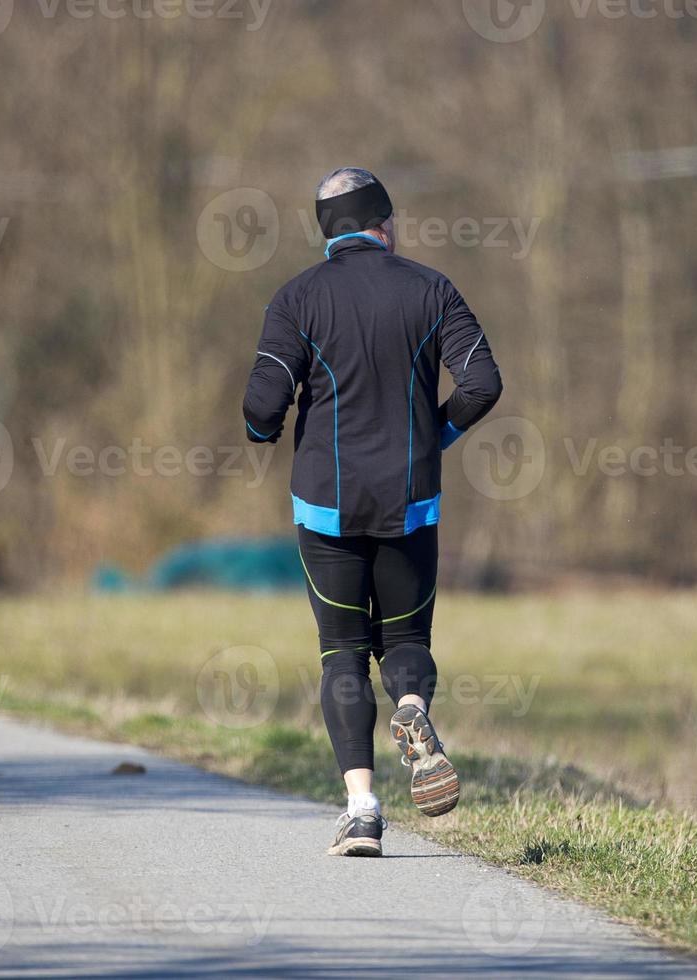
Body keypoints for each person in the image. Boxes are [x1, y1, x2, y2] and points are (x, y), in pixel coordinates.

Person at [242, 167, 503, 857]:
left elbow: (261, 408)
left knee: (342, 657)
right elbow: (483, 382)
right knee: (408, 643)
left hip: (324, 508)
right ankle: (412, 710)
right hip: (410, 501)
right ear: (383, 223)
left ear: (327, 230)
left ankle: (361, 811)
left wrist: (266, 431)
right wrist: (435, 434)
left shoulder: (296, 298)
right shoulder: (431, 289)